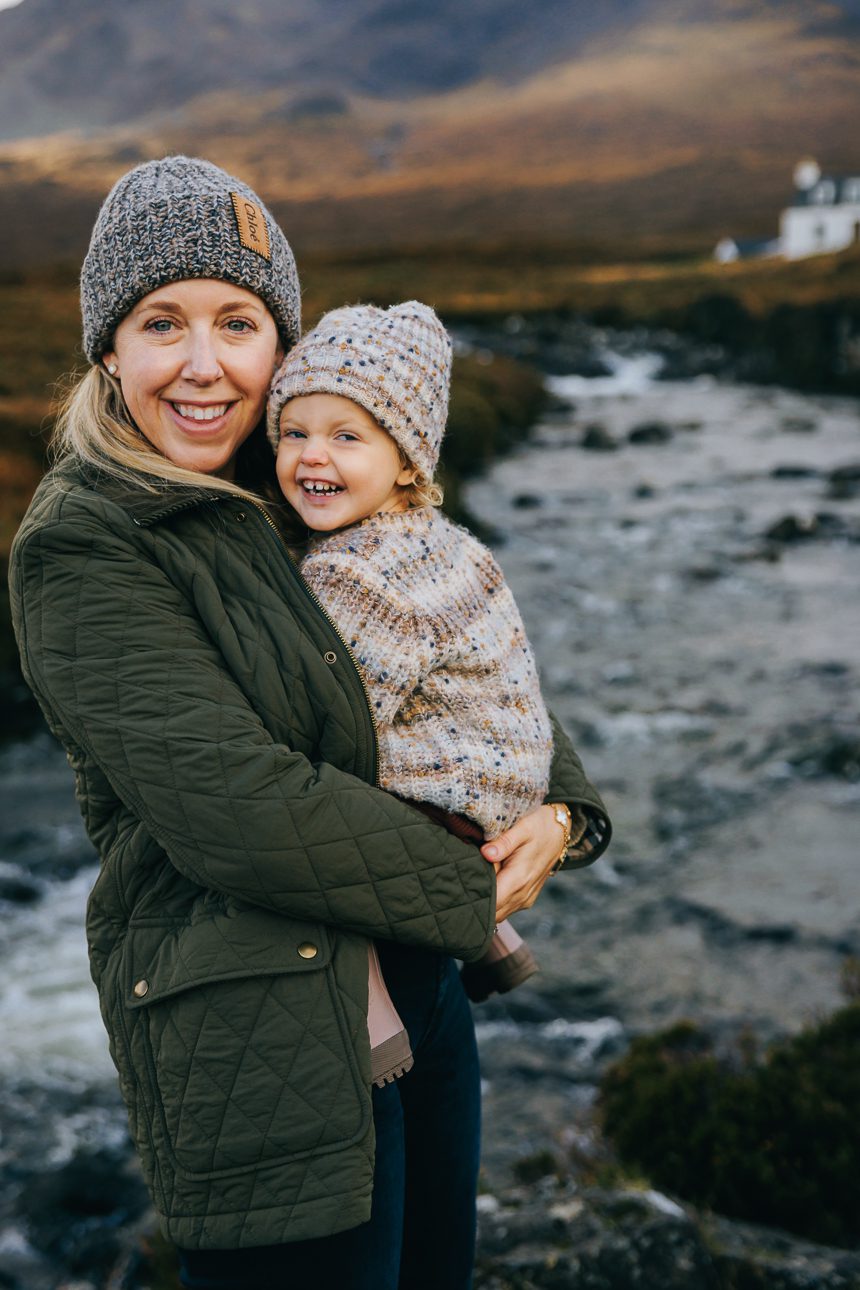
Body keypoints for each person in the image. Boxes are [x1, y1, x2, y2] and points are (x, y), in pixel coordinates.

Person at [9, 155, 611, 1290]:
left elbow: (461, 633)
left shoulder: (307, 472)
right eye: (159, 323)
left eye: (238, 322)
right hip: (259, 1036)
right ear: (107, 347)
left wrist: (559, 808)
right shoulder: (84, 546)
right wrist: (473, 888)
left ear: (280, 342)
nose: (202, 364)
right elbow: (241, 811)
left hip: (416, 991)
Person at [267, 301, 603, 1080]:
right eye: (294, 432)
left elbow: (334, 728)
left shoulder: (353, 575)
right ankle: (493, 940)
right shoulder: (445, 542)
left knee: (310, 801)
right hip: (507, 786)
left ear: (410, 460)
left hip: (447, 806)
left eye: (346, 436)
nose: (312, 457)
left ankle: (368, 993)